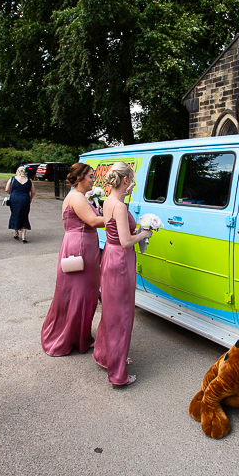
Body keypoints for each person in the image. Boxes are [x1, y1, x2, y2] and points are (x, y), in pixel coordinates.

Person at [93, 162, 151, 388]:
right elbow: (126, 241)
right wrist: (145, 233)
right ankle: (118, 373)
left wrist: (135, 232)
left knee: (111, 310)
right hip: (120, 261)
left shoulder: (108, 201)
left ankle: (107, 355)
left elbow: (117, 234)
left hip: (110, 254)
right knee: (122, 314)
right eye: (132, 181)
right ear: (125, 180)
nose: (132, 185)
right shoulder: (119, 206)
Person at [41, 163, 104, 356]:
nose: (94, 179)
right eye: (91, 176)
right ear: (80, 178)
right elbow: (93, 222)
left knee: (80, 293)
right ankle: (68, 337)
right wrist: (118, 214)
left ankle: (76, 335)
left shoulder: (77, 196)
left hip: (78, 243)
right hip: (80, 248)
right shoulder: (76, 196)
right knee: (79, 294)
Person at [5, 164, 35, 243]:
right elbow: (33, 192)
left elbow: (7, 189)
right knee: (24, 216)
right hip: (25, 199)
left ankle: (16, 232)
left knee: (15, 213)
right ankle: (23, 237)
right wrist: (30, 199)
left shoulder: (12, 179)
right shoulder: (29, 181)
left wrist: (12, 194)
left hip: (14, 198)